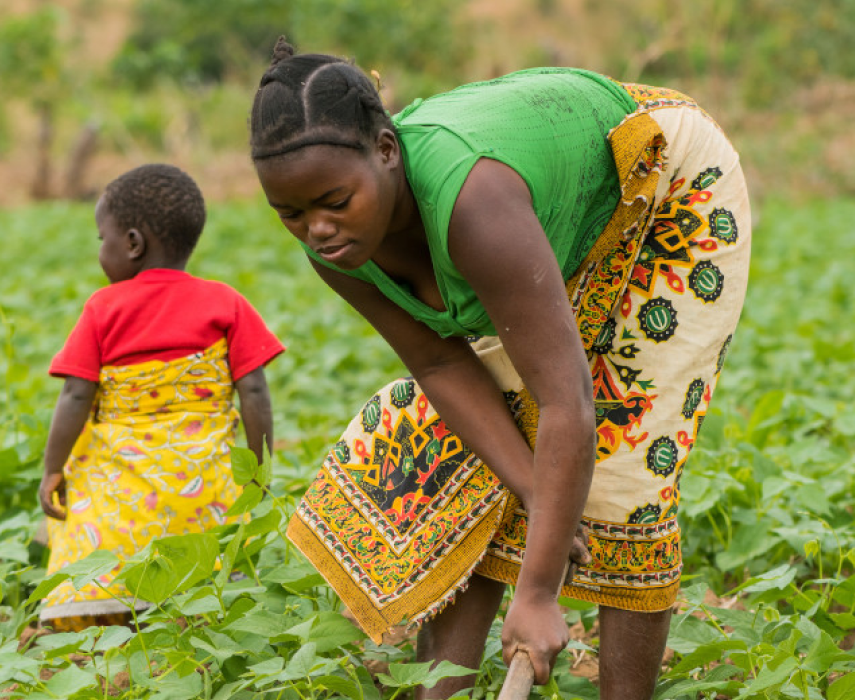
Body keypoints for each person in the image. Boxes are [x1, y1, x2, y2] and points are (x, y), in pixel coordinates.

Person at [251, 38, 750, 698]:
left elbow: (567, 397)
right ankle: (443, 692)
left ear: (385, 152)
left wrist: (539, 594)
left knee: (622, 463)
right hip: (552, 213)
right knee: (471, 454)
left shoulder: (473, 205)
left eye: (334, 202)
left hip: (665, 181)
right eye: (291, 213)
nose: (316, 228)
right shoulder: (337, 249)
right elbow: (437, 361)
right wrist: (537, 493)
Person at [37, 164, 284, 631]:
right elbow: (253, 390)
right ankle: (196, 611)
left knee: (92, 511)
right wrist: (258, 469)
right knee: (207, 544)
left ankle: (110, 615)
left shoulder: (103, 309)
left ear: (132, 242)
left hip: (123, 489)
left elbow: (74, 394)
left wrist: (53, 468)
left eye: (101, 238)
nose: (100, 250)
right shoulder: (225, 303)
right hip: (200, 481)